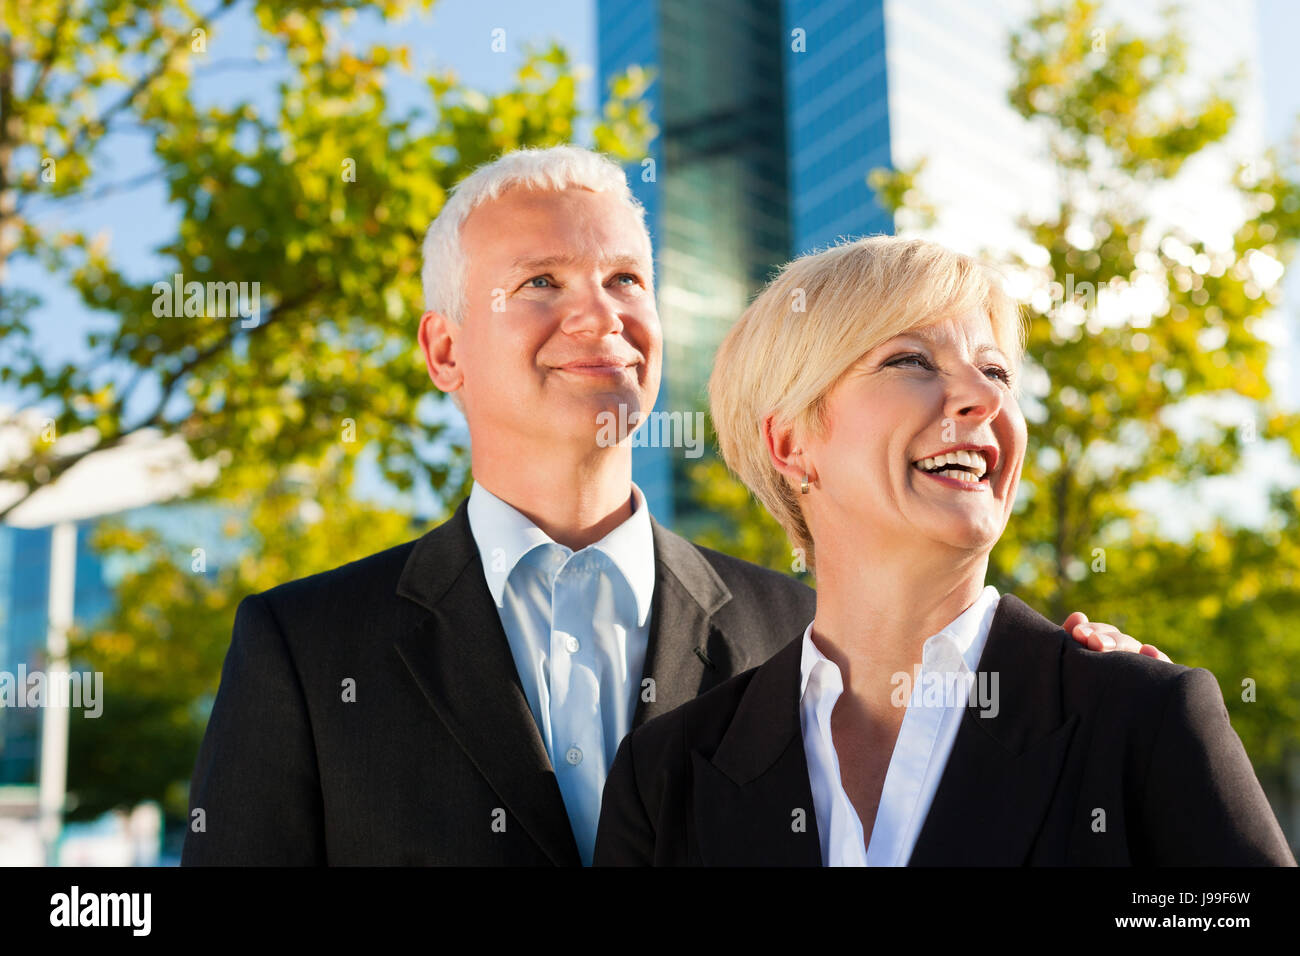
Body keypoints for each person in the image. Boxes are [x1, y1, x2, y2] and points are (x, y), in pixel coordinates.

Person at [182, 148, 1155, 867]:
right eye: (540, 283)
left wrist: (1102, 727)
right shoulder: (305, 648)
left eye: (625, 280)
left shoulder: (807, 633)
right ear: (444, 350)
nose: (599, 314)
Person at [594, 235, 1294, 866]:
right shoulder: (666, 775)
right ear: (790, 444)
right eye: (911, 360)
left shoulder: (1142, 716)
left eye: (996, 373)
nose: (980, 399)